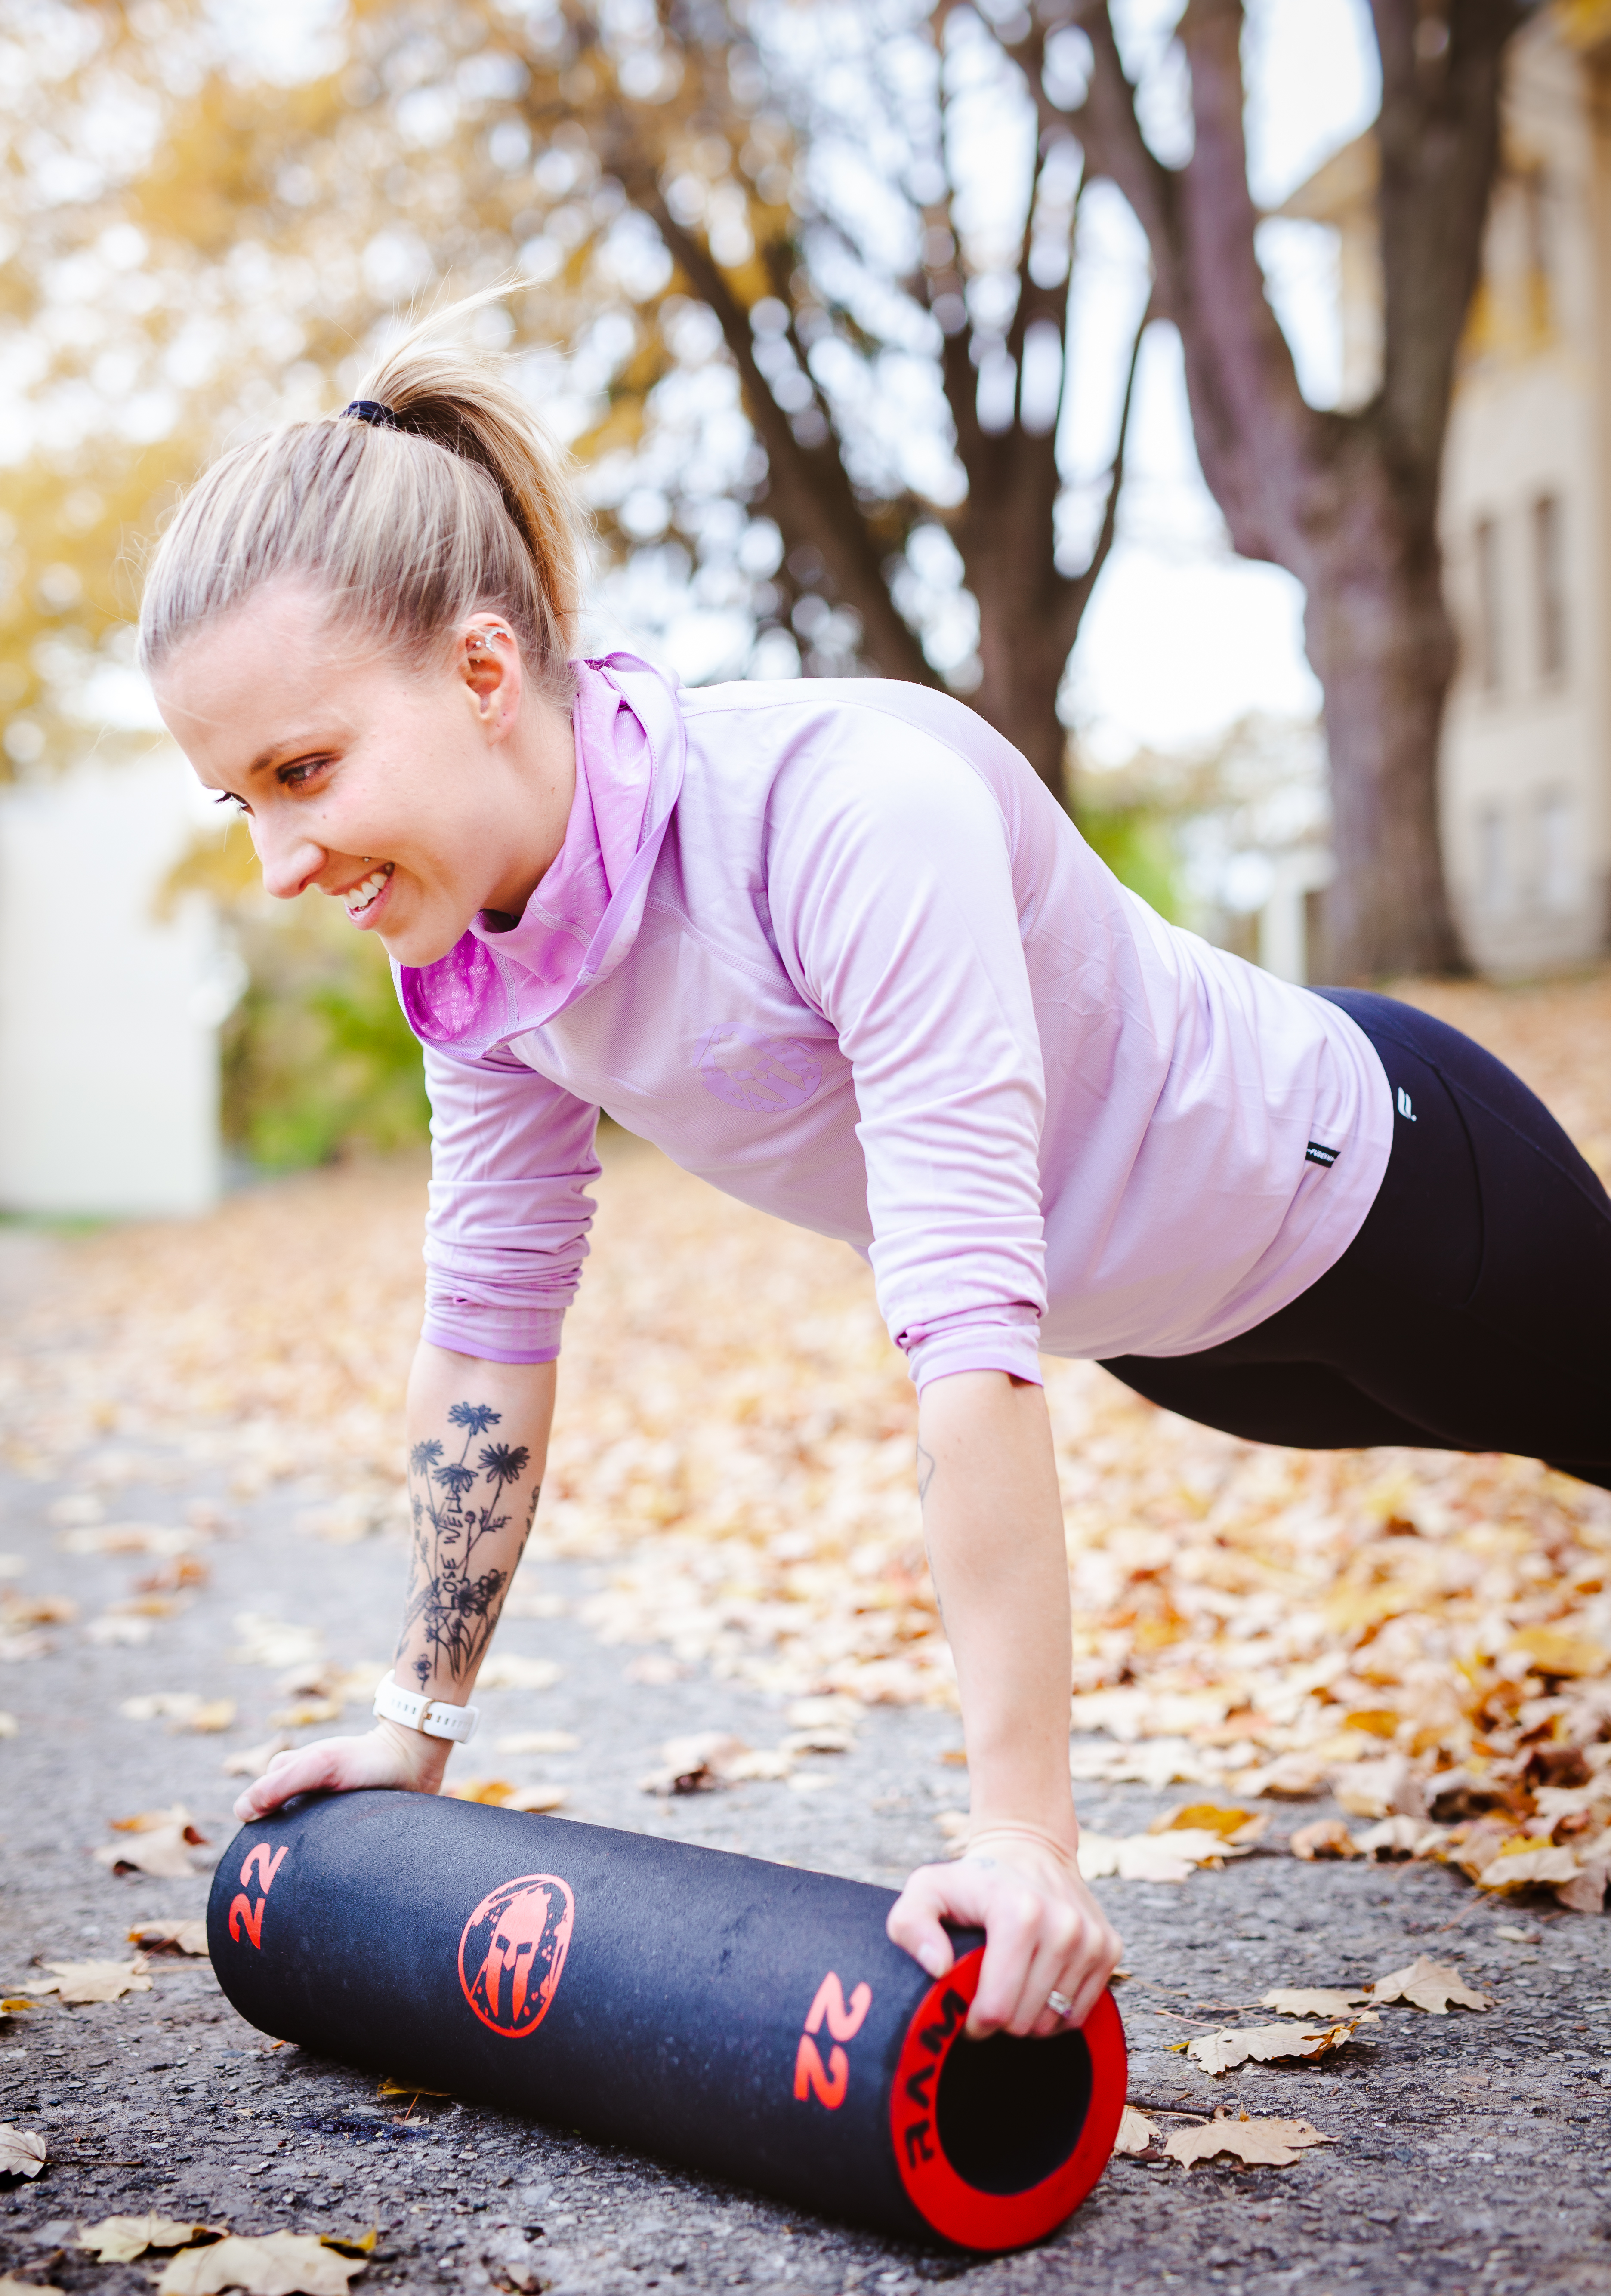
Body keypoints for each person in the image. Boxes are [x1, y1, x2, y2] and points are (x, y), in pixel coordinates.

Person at [143, 302, 1611, 2049]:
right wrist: (417, 1720)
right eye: (242, 800)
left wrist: (1022, 1839)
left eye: (306, 769)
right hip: (1180, 1338)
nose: (285, 856)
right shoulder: (483, 969)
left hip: (1394, 1202)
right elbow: (488, 1327)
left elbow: (962, 1323)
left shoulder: (843, 813)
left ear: (480, 671)